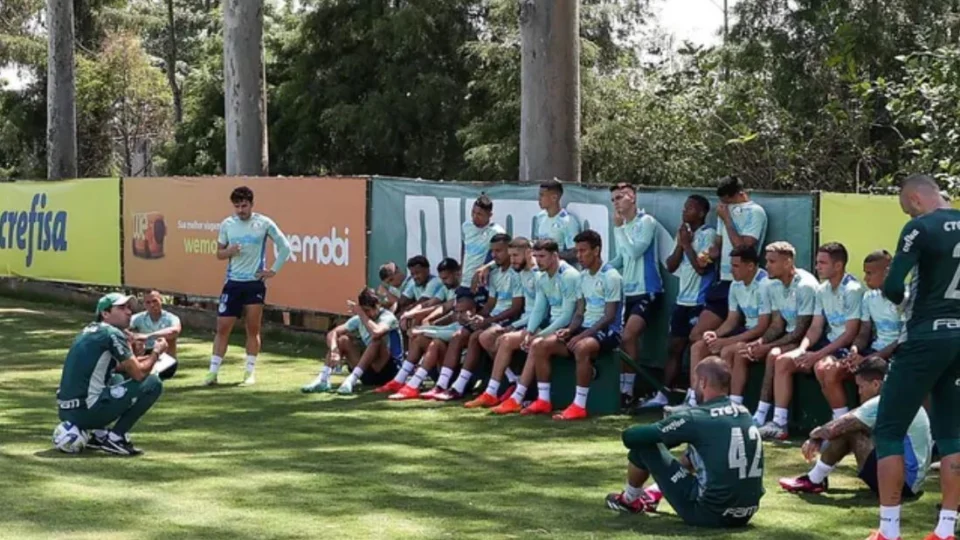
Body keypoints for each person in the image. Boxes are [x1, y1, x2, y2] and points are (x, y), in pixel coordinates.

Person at [868, 174, 960, 540]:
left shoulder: (919, 228)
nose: (909, 212)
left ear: (915, 200)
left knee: (888, 429)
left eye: (907, 208)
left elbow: (892, 285)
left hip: (925, 335)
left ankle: (889, 531)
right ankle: (945, 529)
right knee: (952, 435)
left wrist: (904, 302)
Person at [605, 357, 764, 528]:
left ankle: (629, 500)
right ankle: (652, 493)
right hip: (746, 513)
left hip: (708, 513)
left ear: (702, 382)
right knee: (697, 450)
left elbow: (632, 437)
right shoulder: (744, 412)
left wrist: (664, 434)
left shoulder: (698, 417)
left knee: (646, 445)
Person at [780, 356, 932, 501]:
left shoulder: (884, 401)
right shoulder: (897, 395)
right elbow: (854, 415)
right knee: (853, 426)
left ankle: (814, 480)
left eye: (861, 386)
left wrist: (815, 436)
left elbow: (840, 426)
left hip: (902, 484)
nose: (859, 392)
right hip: (910, 482)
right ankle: (815, 479)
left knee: (851, 431)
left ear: (876, 384)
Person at [762, 242, 864, 440]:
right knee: (783, 360)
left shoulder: (853, 289)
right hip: (827, 346)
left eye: (822, 263)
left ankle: (841, 426)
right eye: (817, 262)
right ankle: (779, 424)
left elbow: (850, 334)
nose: (817, 267)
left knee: (823, 368)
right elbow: (816, 327)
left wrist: (817, 355)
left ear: (838, 266)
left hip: (843, 349)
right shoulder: (822, 289)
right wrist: (802, 349)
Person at [522, 230, 623, 420]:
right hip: (586, 329)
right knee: (541, 345)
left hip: (608, 331)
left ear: (597, 250)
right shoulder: (582, 277)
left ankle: (579, 405)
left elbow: (609, 316)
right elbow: (579, 313)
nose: (579, 256)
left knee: (581, 347)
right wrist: (569, 330)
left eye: (583, 251)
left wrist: (582, 336)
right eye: (577, 251)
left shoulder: (611, 276)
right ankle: (543, 400)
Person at [56, 293, 166, 456]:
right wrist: (156, 352)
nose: (129, 312)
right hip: (86, 412)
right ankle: (116, 437)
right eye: (121, 308)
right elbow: (138, 374)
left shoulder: (89, 331)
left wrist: (136, 354)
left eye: (129, 308)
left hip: (65, 411)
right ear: (105, 314)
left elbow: (115, 368)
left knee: (116, 378)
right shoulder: (111, 333)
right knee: (153, 383)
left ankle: (99, 436)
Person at [206, 186, 292, 387]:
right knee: (222, 327)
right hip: (233, 283)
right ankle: (212, 373)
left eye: (244, 205)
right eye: (237, 206)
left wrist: (273, 270)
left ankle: (249, 372)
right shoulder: (227, 224)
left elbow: (285, 247)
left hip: (254, 284)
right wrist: (230, 251)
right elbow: (219, 254)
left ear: (252, 204)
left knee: (252, 328)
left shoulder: (264, 223)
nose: (240, 210)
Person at [640, 194, 717, 409]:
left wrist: (688, 245)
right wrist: (681, 244)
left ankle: (696, 396)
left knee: (696, 347)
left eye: (690, 208)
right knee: (674, 347)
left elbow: (702, 268)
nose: (684, 211)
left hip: (700, 301)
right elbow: (671, 266)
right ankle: (664, 393)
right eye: (684, 207)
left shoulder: (709, 235)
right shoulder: (683, 234)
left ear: (702, 213)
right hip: (681, 300)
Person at [490, 239, 580, 415]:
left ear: (555, 256)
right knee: (507, 340)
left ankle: (518, 397)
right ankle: (492, 391)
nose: (538, 261)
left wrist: (538, 335)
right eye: (536, 256)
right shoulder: (541, 275)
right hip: (550, 325)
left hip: (569, 328)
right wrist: (530, 332)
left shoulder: (569, 276)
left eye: (543, 256)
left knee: (537, 345)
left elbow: (567, 315)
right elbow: (539, 308)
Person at [740, 241, 818, 432]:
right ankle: (760, 415)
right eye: (767, 261)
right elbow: (777, 324)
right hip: (790, 338)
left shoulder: (806, 286)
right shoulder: (772, 284)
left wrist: (766, 347)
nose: (767, 266)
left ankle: (778, 421)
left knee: (774, 354)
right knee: (749, 350)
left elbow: (801, 330)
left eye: (772, 261)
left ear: (788, 262)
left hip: (808, 341)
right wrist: (759, 342)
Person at [441, 233, 524, 402]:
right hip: (493, 318)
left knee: (475, 337)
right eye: (492, 251)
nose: (494, 255)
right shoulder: (494, 273)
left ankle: (460, 386)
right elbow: (491, 304)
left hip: (509, 320)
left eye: (499, 251)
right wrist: (476, 317)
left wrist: (487, 321)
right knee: (460, 335)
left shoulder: (517, 274)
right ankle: (443, 385)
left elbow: (516, 308)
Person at [687, 246, 770, 406]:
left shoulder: (764, 285)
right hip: (745, 330)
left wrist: (726, 342)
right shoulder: (735, 285)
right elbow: (732, 320)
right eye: (731, 265)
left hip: (762, 336)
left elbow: (762, 326)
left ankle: (727, 403)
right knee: (698, 347)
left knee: (727, 350)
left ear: (751, 266)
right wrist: (715, 335)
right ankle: (694, 400)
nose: (732, 270)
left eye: (736, 266)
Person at [465, 237, 539, 409]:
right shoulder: (521, 273)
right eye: (511, 255)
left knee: (503, 339)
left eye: (515, 255)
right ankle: (506, 385)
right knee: (485, 337)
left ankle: (512, 393)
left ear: (528, 253)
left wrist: (513, 325)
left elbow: (539, 311)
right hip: (525, 322)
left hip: (538, 324)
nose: (512, 259)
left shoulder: (538, 275)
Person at [694, 176, 768, 344]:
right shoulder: (724, 211)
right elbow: (718, 246)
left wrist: (727, 219)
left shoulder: (755, 212)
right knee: (698, 336)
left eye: (729, 201)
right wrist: (706, 255)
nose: (727, 205)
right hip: (724, 280)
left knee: (727, 340)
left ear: (740, 194)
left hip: (745, 281)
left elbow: (743, 249)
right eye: (724, 202)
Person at [608, 182, 663, 409]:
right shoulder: (622, 226)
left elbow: (635, 251)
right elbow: (622, 259)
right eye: (613, 200)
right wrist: (602, 269)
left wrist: (619, 228)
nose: (616, 203)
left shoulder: (645, 222)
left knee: (629, 336)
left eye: (620, 197)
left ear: (632, 197)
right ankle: (624, 388)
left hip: (647, 290)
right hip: (628, 291)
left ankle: (628, 390)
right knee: (624, 339)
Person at [376, 258, 461, 392]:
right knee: (418, 335)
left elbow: (448, 312)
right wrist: (417, 316)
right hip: (448, 330)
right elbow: (435, 305)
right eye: (413, 273)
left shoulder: (462, 290)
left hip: (458, 331)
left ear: (458, 273)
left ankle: (433, 384)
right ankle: (403, 380)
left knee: (425, 336)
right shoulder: (445, 288)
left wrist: (425, 324)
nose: (443, 281)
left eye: (446, 278)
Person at [301, 288, 403, 394]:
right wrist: (334, 350)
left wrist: (361, 313)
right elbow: (333, 333)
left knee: (376, 340)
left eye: (367, 310)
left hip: (390, 370)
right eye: (363, 310)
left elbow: (376, 332)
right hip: (368, 372)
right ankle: (323, 379)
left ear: (377, 306)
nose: (366, 314)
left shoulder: (387, 317)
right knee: (343, 340)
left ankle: (351, 380)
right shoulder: (360, 318)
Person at [848, 250, 904, 368]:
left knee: (868, 380)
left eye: (869, 273)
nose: (865, 278)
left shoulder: (905, 298)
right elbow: (864, 333)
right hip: (874, 351)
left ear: (887, 272)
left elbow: (904, 339)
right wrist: (854, 350)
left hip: (899, 355)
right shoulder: (868, 297)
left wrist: (869, 360)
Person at [461, 194, 506, 305]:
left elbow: (505, 257)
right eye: (473, 212)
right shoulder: (467, 226)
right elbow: (464, 247)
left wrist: (485, 268)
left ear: (490, 215)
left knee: (473, 316)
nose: (475, 216)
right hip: (465, 281)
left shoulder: (496, 232)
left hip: (482, 284)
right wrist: (461, 268)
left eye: (480, 214)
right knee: (460, 314)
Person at [127, 290, 182, 380]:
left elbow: (175, 331)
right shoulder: (138, 318)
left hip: (166, 357)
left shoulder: (171, 318)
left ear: (161, 300)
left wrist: (148, 336)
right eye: (148, 302)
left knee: (168, 339)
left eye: (154, 301)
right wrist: (133, 337)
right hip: (146, 354)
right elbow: (121, 327)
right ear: (144, 305)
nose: (152, 305)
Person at [533, 179, 581, 264]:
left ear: (554, 198)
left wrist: (551, 255)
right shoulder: (540, 217)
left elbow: (575, 252)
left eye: (542, 195)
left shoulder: (568, 221)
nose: (539, 199)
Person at [396, 256, 446, 329]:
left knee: (408, 320)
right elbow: (401, 302)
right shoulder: (414, 282)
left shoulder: (435, 282)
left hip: (437, 314)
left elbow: (423, 303)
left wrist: (399, 316)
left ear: (427, 270)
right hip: (420, 312)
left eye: (418, 273)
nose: (415, 277)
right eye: (412, 274)